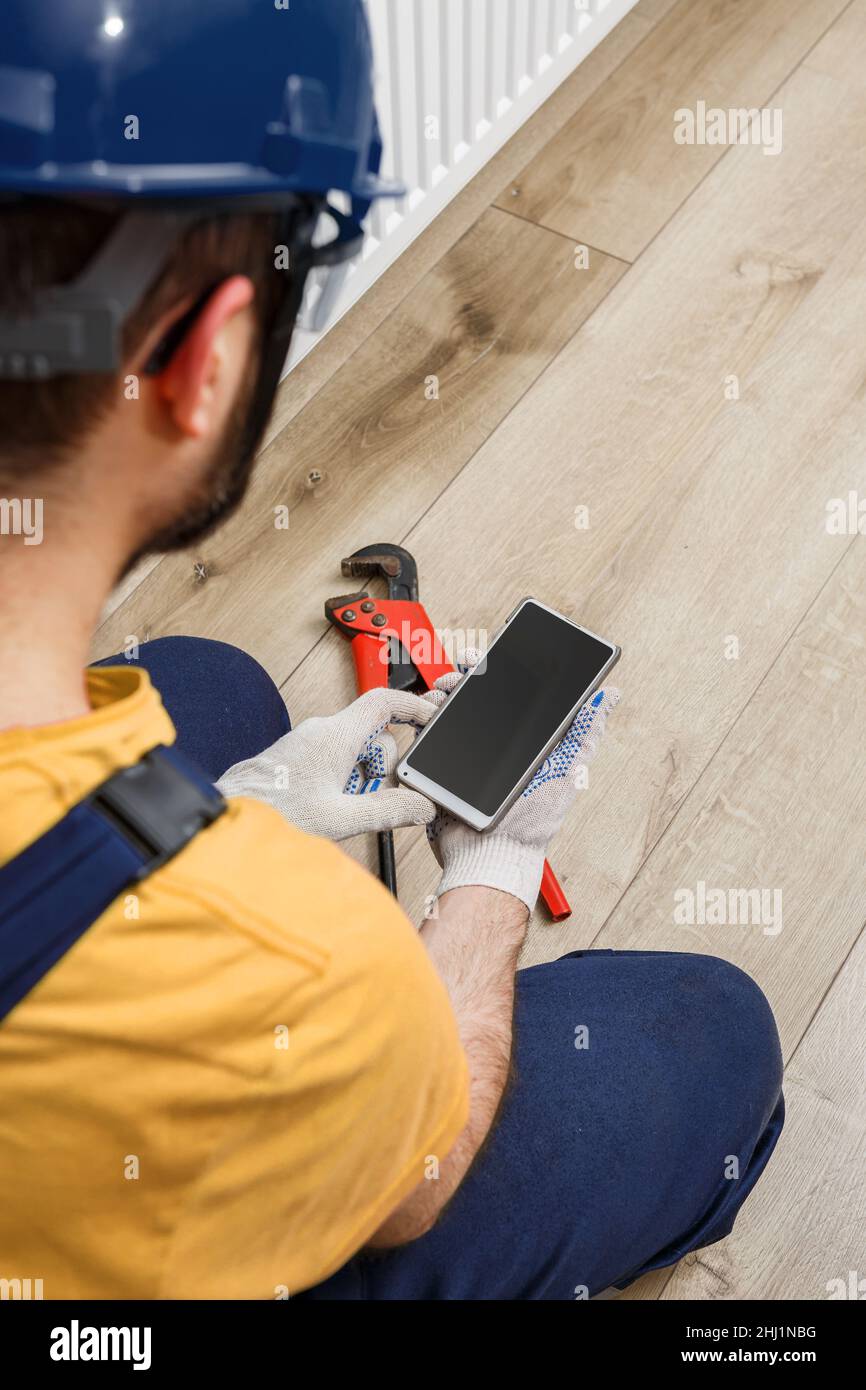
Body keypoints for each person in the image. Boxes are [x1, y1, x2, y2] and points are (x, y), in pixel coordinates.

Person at [0, 0, 783, 1300]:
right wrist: (490, 878)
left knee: (204, 689)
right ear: (205, 360)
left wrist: (242, 801)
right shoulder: (308, 969)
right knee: (707, 1032)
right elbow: (420, 1176)